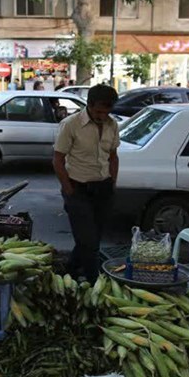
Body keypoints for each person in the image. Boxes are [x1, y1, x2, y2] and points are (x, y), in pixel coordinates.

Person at [53, 84, 120, 283]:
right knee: (89, 241)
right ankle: (94, 281)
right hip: (78, 189)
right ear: (89, 105)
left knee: (91, 239)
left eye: (107, 111)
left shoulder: (112, 124)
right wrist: (68, 189)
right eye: (99, 111)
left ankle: (69, 271)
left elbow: (113, 156)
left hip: (103, 188)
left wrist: (113, 183)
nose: (102, 115)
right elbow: (58, 159)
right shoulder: (70, 124)